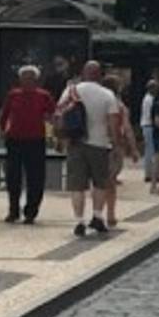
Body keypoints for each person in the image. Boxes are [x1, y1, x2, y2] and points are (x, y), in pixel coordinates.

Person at [56, 60, 120, 237]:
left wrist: (62, 138)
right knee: (100, 182)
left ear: (84, 73)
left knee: (77, 185)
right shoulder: (107, 94)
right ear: (100, 75)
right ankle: (98, 217)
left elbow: (59, 114)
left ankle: (79, 221)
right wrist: (116, 145)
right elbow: (113, 122)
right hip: (99, 144)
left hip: (76, 143)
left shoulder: (71, 90)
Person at [0, 65, 54, 224]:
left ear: (36, 80)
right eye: (24, 78)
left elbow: (52, 115)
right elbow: (4, 114)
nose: (27, 81)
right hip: (15, 139)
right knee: (13, 176)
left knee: (35, 178)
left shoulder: (44, 96)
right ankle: (13, 210)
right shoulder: (13, 95)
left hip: (36, 140)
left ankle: (31, 211)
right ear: (20, 80)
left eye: (31, 78)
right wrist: (2, 130)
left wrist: (53, 133)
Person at [101, 76, 142, 227]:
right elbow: (127, 128)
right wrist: (134, 149)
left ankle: (97, 212)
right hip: (114, 145)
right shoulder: (119, 106)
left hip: (95, 144)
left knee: (99, 182)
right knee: (110, 181)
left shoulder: (98, 102)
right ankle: (110, 214)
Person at [140, 79, 157, 182]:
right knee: (150, 151)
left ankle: (152, 172)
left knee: (150, 151)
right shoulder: (149, 99)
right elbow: (151, 114)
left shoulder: (149, 98)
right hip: (149, 125)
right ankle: (148, 174)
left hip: (147, 125)